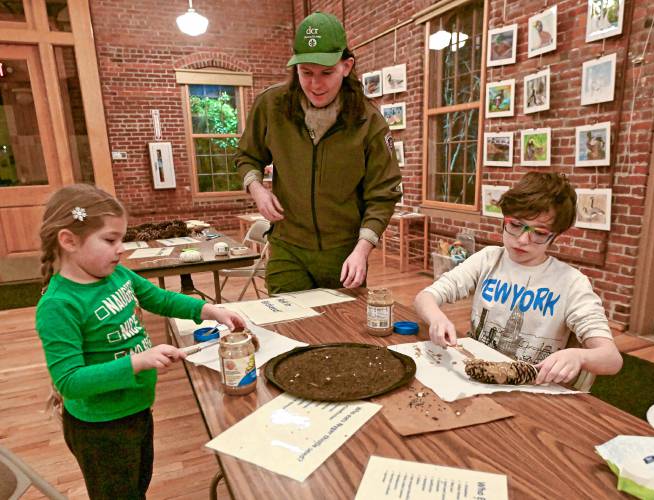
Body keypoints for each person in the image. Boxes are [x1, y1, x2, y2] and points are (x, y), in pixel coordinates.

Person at [35, 184, 245, 499]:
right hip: (101, 429)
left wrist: (208, 309)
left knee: (137, 486)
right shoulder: (57, 305)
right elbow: (69, 381)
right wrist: (138, 362)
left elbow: (159, 299)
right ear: (68, 240)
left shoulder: (118, 276)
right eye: (110, 240)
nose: (121, 248)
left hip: (136, 408)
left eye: (121, 238)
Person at [236, 12, 402, 294]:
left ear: (346, 66)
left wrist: (362, 250)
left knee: (341, 330)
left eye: (327, 73)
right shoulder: (271, 106)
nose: (315, 84)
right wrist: (257, 189)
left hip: (344, 253)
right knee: (284, 326)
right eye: (306, 73)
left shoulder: (369, 121)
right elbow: (247, 156)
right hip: (288, 245)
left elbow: (383, 194)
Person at [414, 173, 622, 385]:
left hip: (533, 391)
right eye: (515, 225)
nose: (522, 240)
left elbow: (611, 359)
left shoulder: (572, 283)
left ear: (555, 236)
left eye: (539, 233)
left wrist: (579, 356)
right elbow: (425, 297)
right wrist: (437, 318)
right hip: (478, 377)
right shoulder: (487, 259)